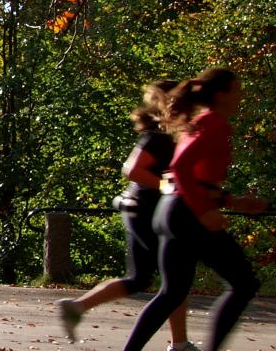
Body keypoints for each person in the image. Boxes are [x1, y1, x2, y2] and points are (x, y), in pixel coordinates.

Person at [122, 68, 268, 351]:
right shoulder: (214, 123)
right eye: (238, 89)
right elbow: (181, 168)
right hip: (187, 215)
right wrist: (204, 211)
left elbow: (191, 178)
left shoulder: (199, 122)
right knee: (244, 283)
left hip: (171, 210)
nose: (241, 96)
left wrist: (232, 201)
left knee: (172, 293)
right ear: (222, 94)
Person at [55, 80, 199, 351]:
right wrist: (167, 187)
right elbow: (132, 170)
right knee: (173, 279)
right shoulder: (158, 137)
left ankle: (77, 307)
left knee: (150, 279)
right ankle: (179, 345)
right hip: (146, 211)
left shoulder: (169, 135)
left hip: (142, 210)